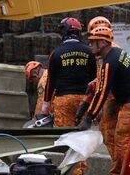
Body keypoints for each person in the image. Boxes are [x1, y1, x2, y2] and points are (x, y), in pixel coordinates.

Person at [79, 27, 130, 175]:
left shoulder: (110, 62)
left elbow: (102, 92)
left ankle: (125, 172)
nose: (89, 45)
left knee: (122, 141)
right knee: (113, 138)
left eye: (92, 42)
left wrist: (88, 118)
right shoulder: (115, 54)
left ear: (102, 43)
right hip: (128, 101)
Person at [41, 17, 96, 175]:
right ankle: (79, 171)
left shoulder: (56, 53)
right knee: (82, 138)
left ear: (63, 32)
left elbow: (50, 82)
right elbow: (94, 79)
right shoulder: (89, 52)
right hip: (84, 100)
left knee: (68, 139)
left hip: (63, 100)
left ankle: (72, 171)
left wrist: (45, 104)